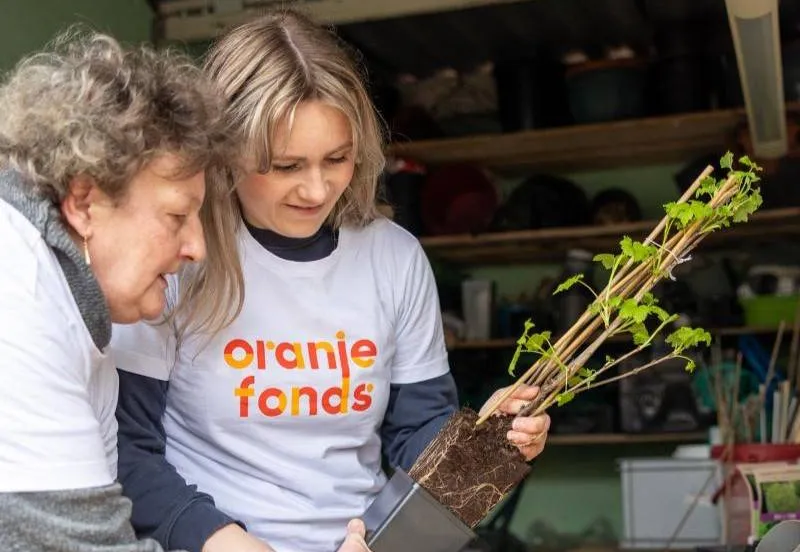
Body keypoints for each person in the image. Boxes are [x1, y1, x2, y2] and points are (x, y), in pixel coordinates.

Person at [110, 9, 550, 552]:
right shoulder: (181, 254)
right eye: (285, 166)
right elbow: (126, 447)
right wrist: (221, 540)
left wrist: (482, 444)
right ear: (224, 151)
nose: (316, 190)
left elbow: (416, 434)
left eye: (336, 159)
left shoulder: (394, 258)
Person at [0, 29, 242, 551]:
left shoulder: (88, 324)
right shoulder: (16, 288)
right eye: (178, 215)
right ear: (85, 203)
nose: (198, 247)